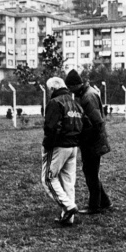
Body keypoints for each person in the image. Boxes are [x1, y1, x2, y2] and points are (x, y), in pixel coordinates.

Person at [64, 70, 112, 214]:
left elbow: (96, 122)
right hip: (92, 140)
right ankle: (105, 202)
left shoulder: (88, 96)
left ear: (74, 85)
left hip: (93, 142)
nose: (69, 90)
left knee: (91, 173)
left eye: (69, 87)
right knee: (91, 172)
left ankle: (95, 206)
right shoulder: (86, 93)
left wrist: (85, 140)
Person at [41, 77, 83, 226]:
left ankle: (69, 207)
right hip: (73, 146)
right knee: (68, 181)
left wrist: (47, 145)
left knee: (48, 179)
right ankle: (68, 217)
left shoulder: (55, 102)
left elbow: (51, 128)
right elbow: (85, 124)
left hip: (58, 146)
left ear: (53, 88)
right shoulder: (75, 103)